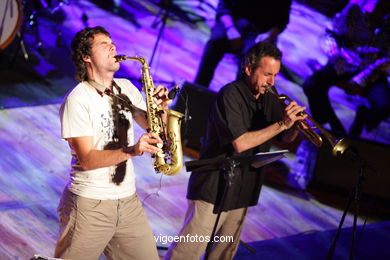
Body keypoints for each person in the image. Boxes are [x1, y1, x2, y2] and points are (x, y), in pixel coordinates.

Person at [165, 42, 307, 260]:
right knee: (188, 252)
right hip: (214, 185)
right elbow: (240, 143)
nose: (272, 82)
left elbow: (283, 138)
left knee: (223, 254)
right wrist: (281, 124)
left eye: (276, 75)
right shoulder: (230, 95)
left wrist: (294, 128)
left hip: (244, 187)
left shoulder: (269, 97)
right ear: (249, 69)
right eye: (267, 74)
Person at [55, 26, 171, 260]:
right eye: (104, 44)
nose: (113, 46)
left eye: (112, 42)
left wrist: (162, 109)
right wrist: (133, 150)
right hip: (90, 206)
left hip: (128, 202)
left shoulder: (126, 88)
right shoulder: (78, 100)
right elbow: (87, 159)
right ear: (86, 57)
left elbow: (155, 127)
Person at [302, 0, 390, 137]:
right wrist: (335, 56)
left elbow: (387, 60)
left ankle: (361, 119)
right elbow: (329, 34)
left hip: (373, 71)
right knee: (312, 86)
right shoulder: (355, 8)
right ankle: (329, 125)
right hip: (345, 62)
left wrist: (361, 80)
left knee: (384, 106)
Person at [194, 0, 292, 88]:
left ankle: (236, 100)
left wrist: (268, 36)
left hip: (259, 31)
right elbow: (223, 6)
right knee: (215, 44)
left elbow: (282, 21)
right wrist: (230, 28)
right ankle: (196, 89)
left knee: (253, 59)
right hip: (232, 22)